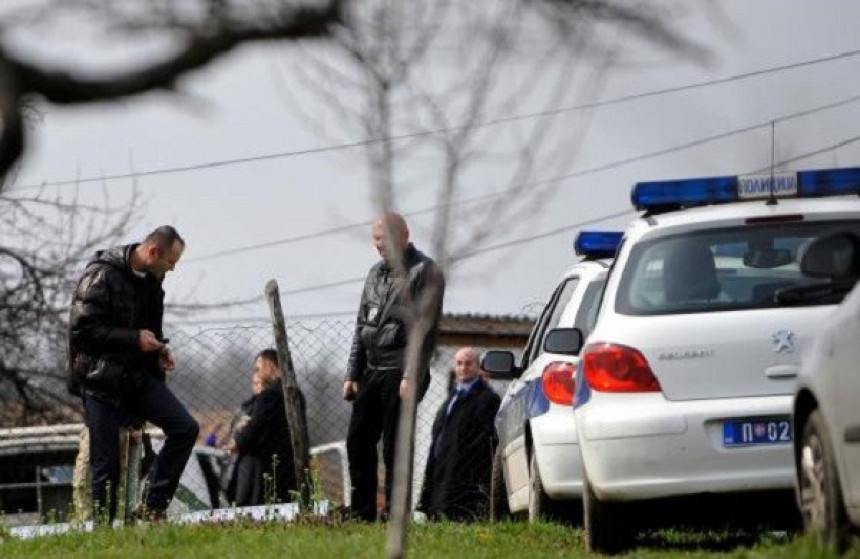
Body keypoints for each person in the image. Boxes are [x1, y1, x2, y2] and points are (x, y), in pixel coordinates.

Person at [68, 225, 199, 523]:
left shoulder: (154, 281)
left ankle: (153, 506)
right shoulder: (100, 275)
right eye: (171, 262)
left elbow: (149, 330)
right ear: (153, 253)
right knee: (106, 467)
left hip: (137, 378)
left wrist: (158, 350)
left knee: (185, 428)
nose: (173, 269)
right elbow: (82, 331)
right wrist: (133, 339)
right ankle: (104, 535)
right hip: (100, 381)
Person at [343, 212, 445, 522]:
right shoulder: (375, 274)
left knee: (394, 448)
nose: (380, 245)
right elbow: (363, 325)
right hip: (371, 370)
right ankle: (362, 515)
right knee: (357, 442)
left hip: (400, 371)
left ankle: (395, 516)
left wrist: (410, 375)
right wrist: (352, 373)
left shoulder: (425, 271)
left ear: (404, 236)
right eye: (376, 239)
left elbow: (425, 331)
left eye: (385, 239)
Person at [417, 347, 501, 522]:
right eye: (459, 363)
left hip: (466, 475)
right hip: (441, 468)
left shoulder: (487, 399)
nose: (464, 368)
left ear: (478, 367)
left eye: (469, 363)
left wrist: (462, 456)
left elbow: (485, 437)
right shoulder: (451, 400)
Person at [230, 349, 300, 505]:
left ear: (270, 365)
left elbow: (255, 428)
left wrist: (238, 440)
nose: (258, 374)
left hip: (268, 465)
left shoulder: (269, 396)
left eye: (258, 369)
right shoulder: (296, 394)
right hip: (291, 463)